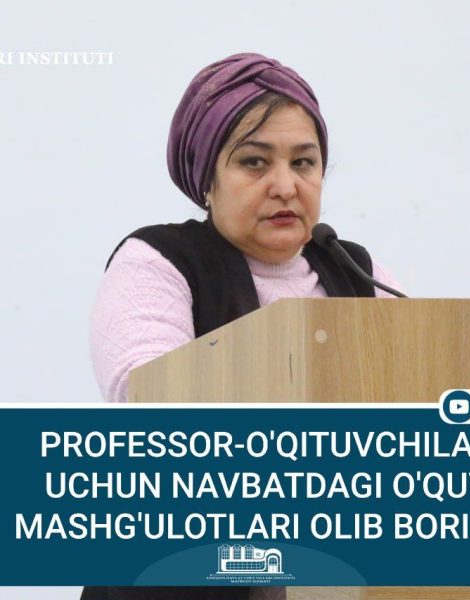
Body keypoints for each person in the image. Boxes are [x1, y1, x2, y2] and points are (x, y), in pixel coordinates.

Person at [85, 52, 401, 600]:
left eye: (304, 163)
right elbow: (153, 412)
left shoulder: (355, 270)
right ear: (207, 179)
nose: (285, 185)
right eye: (255, 162)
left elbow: (425, 400)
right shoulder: (158, 260)